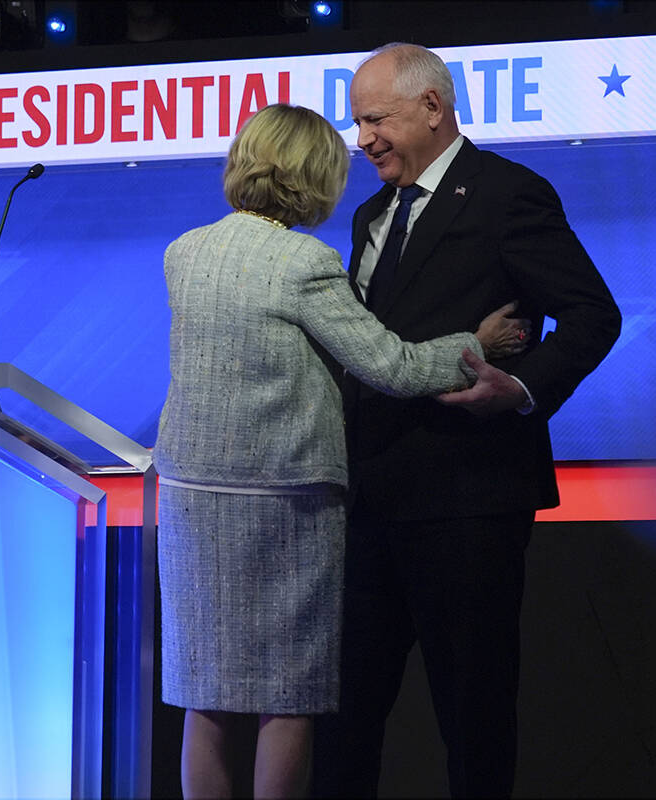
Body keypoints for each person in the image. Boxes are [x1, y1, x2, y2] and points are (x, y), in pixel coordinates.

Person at [153, 103, 529, 799]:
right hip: (283, 504)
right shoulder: (305, 262)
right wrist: (477, 344)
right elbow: (392, 366)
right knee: (286, 694)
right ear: (314, 176)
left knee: (203, 690)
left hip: (188, 499)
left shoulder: (185, 251)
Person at [311, 43, 622, 798]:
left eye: (376, 119)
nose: (364, 140)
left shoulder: (508, 194)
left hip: (468, 502)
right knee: (342, 720)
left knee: (473, 718)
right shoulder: (369, 214)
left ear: (433, 109)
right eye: (357, 123)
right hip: (369, 503)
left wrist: (516, 384)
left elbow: (592, 315)